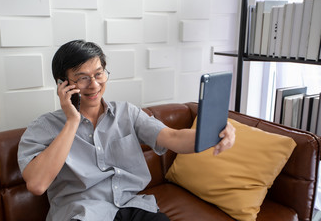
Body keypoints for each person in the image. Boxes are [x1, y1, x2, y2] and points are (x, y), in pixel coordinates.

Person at [17, 40, 235, 221]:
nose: (94, 85)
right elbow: (37, 184)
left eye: (99, 74)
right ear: (63, 84)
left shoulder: (127, 113)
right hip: (82, 214)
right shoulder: (44, 126)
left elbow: (173, 137)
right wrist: (72, 121)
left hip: (133, 208)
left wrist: (213, 131)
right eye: (82, 77)